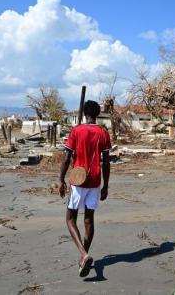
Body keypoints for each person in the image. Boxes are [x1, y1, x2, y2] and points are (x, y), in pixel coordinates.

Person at [58, 100, 111, 277]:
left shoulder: (76, 131)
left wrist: (60, 180)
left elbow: (66, 158)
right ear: (97, 114)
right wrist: (106, 185)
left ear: (85, 113)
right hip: (95, 181)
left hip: (78, 180)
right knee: (89, 220)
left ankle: (83, 253)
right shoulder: (103, 133)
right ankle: (84, 257)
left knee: (70, 218)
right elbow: (106, 162)